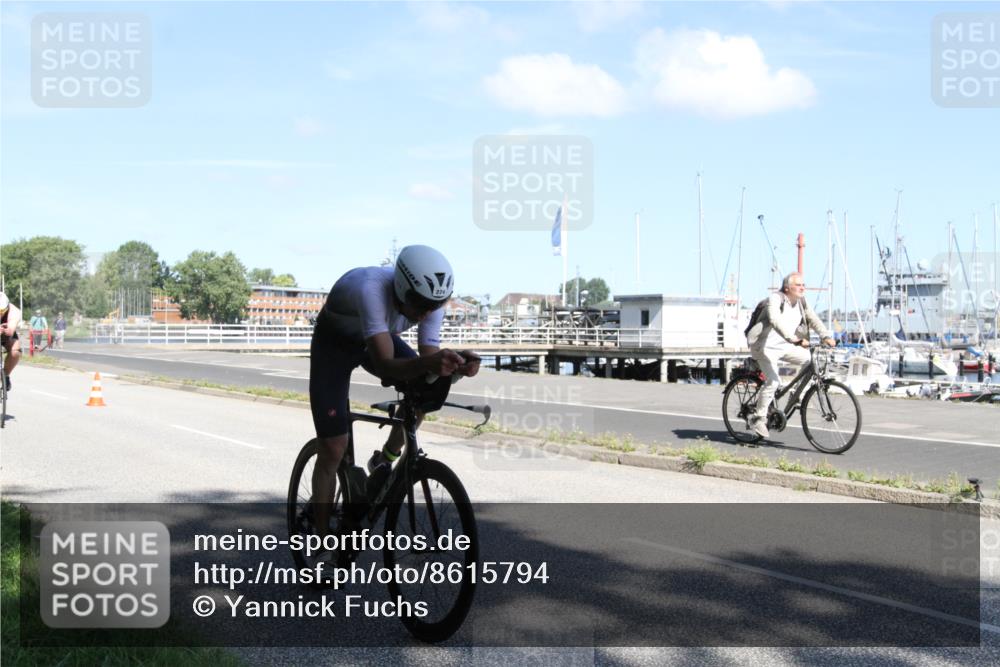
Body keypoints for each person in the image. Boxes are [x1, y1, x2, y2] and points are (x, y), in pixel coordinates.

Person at [308, 245, 480, 549]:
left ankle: (384, 461)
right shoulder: (370, 290)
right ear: (402, 288)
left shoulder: (427, 300)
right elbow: (388, 365)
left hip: (377, 339)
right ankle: (321, 547)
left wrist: (455, 366)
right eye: (421, 304)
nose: (427, 312)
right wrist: (430, 363)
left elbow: (428, 362)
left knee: (423, 392)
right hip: (334, 345)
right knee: (333, 448)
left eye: (435, 305)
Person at [745, 272, 835, 438]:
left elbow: (813, 319)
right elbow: (774, 320)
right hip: (764, 346)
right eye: (798, 285)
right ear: (787, 287)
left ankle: (796, 393)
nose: (803, 287)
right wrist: (794, 339)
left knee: (810, 360)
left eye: (803, 284)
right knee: (773, 381)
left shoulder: (801, 302)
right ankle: (758, 418)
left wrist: (825, 336)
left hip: (785, 346)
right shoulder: (776, 299)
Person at [0, 292, 22, 391]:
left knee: (15, 351)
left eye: (1, 312)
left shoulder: (14, 310)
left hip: (4, 333)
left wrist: (9, 329)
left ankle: (5, 375)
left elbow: (12, 325)